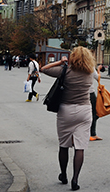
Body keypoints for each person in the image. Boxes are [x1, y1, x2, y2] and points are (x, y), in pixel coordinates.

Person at [40, 47, 98, 190]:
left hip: (66, 110)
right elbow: (99, 77)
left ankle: (64, 174)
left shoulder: (65, 71)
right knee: (80, 147)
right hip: (84, 111)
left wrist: (60, 62)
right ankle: (75, 179)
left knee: (64, 145)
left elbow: (44, 69)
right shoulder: (90, 72)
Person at [89, 63, 104, 141]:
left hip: (77, 93)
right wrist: (98, 69)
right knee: (95, 113)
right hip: (90, 93)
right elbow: (98, 78)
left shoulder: (74, 67)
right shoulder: (90, 67)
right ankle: (93, 134)